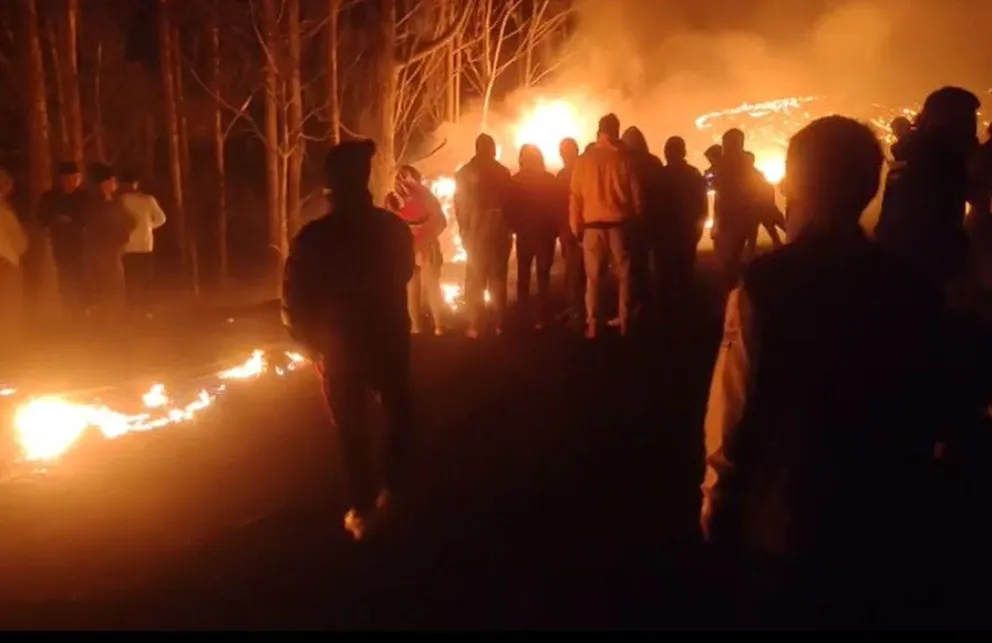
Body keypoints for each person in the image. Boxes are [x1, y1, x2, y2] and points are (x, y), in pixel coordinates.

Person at [701, 116, 953, 627]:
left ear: (794, 184)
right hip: (887, 517)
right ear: (869, 187)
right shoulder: (911, 287)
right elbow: (933, 402)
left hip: (789, 522)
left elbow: (733, 407)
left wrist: (717, 502)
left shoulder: (765, 287)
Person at [282, 140, 415, 541]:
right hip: (387, 334)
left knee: (351, 427)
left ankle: (363, 506)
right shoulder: (391, 227)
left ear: (330, 188)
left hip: (341, 344)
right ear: (365, 180)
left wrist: (308, 340)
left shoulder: (314, 237)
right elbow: (404, 273)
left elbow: (295, 295)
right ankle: (396, 494)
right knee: (400, 415)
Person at [875, 87, 980, 296]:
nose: (973, 127)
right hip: (922, 277)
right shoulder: (936, 162)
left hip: (898, 270)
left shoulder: (917, 153)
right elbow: (929, 228)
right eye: (969, 118)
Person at [569, 113, 643, 338]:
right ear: (616, 131)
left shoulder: (583, 160)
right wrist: (639, 218)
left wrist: (576, 227)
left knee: (593, 279)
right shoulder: (624, 159)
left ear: (598, 131)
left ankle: (592, 324)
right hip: (619, 226)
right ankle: (625, 322)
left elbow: (575, 197)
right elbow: (636, 194)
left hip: (591, 227)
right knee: (624, 276)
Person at [454, 133, 512, 338]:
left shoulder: (464, 173)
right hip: (499, 231)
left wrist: (464, 230)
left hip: (475, 231)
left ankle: (476, 324)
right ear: (492, 149)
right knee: (497, 278)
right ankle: (499, 324)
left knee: (476, 279)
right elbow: (511, 204)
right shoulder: (503, 173)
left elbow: (459, 206)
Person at [386, 165, 447, 336]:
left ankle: (437, 325)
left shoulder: (424, 196)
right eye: (399, 177)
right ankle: (418, 327)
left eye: (405, 177)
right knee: (413, 287)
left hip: (424, 246)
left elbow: (440, 220)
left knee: (431, 286)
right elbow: (389, 224)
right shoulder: (393, 199)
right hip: (409, 248)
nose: (402, 181)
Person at [508, 144, 559, 329]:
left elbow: (510, 208)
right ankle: (542, 317)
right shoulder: (549, 179)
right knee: (543, 277)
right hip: (545, 234)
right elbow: (556, 206)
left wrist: (513, 227)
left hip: (525, 234)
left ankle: (522, 316)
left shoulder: (515, 181)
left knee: (524, 275)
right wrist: (555, 229)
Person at [621, 126, 666, 320]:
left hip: (632, 220)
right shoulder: (654, 162)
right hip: (654, 218)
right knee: (654, 261)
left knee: (634, 264)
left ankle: (637, 302)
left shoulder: (624, 162)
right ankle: (657, 301)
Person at [658, 136, 707, 313]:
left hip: (666, 231)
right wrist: (699, 226)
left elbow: (654, 204)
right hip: (687, 229)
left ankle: (667, 310)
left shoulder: (661, 174)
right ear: (684, 152)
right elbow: (702, 204)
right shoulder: (693, 173)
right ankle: (687, 307)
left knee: (666, 272)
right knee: (685, 271)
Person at [38, 161, 89, 320]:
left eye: (75, 178)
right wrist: (55, 219)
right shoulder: (50, 197)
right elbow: (42, 217)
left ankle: (82, 308)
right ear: (61, 180)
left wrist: (77, 221)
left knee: (82, 274)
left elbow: (91, 217)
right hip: (61, 243)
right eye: (68, 179)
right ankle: (68, 307)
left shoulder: (84, 197)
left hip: (82, 244)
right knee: (65, 275)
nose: (72, 182)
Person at [84, 164, 133, 324]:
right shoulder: (95, 204)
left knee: (115, 282)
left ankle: (115, 317)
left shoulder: (116, 202)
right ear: (104, 183)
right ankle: (103, 318)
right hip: (100, 249)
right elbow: (94, 225)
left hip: (113, 248)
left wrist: (123, 238)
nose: (115, 184)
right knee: (103, 281)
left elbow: (129, 221)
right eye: (112, 181)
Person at [710, 128, 755, 291]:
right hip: (739, 217)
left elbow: (719, 189)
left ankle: (733, 297)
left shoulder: (728, 165)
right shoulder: (746, 162)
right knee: (733, 260)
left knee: (728, 262)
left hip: (730, 218)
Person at [117, 169, 166, 316]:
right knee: (143, 279)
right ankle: (143, 309)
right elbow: (161, 219)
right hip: (142, 245)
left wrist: (148, 226)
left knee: (133, 279)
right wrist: (149, 226)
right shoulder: (146, 199)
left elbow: (161, 219)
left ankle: (136, 309)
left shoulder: (122, 200)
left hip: (131, 246)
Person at [556, 138, 584, 324]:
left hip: (569, 226)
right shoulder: (586, 170)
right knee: (585, 268)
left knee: (572, 268)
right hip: (585, 225)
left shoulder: (564, 174)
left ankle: (576, 308)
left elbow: (557, 203)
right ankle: (585, 307)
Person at [0, 169, 27, 356]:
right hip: (6, 264)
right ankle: (7, 351)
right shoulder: (5, 213)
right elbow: (19, 242)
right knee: (8, 311)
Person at [742, 151, 785, 257]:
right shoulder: (755, 174)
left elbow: (766, 189)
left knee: (776, 229)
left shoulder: (752, 174)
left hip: (764, 209)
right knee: (774, 230)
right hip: (763, 209)